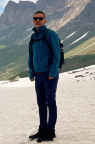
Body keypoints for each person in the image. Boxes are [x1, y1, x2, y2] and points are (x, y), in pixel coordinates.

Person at [28, 11, 60, 142]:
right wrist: (31, 72)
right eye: (35, 18)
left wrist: (53, 72)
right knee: (41, 103)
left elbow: (56, 54)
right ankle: (42, 129)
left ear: (45, 21)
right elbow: (30, 56)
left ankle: (50, 131)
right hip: (38, 75)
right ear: (33, 21)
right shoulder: (33, 37)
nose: (38, 20)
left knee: (50, 102)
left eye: (40, 18)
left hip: (49, 75)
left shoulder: (50, 34)